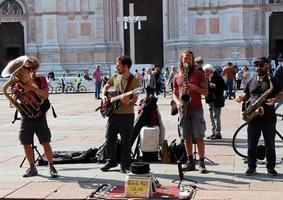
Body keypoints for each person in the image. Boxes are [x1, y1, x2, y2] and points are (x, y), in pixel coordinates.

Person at [236, 57, 282, 176]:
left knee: (270, 144)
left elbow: (282, 95)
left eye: (261, 65)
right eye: (256, 65)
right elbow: (247, 95)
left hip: (268, 117)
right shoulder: (251, 80)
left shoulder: (273, 80)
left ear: (267, 65)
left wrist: (275, 99)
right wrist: (241, 98)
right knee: (251, 144)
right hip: (253, 116)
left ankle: (270, 167)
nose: (258, 68)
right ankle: (251, 167)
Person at [13, 56, 58, 178]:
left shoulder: (41, 79)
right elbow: (13, 103)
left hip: (39, 115)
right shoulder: (19, 83)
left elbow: (45, 95)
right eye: (27, 68)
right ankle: (32, 168)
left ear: (36, 68)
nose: (30, 70)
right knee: (25, 142)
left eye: (33, 67)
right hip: (26, 116)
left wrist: (31, 87)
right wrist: (16, 93)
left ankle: (51, 166)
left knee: (45, 141)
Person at [100, 55, 140, 173]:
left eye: (118, 65)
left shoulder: (134, 81)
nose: (116, 67)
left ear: (125, 66)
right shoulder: (115, 76)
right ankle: (111, 160)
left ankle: (125, 164)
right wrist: (103, 96)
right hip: (113, 114)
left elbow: (135, 99)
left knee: (125, 141)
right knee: (109, 138)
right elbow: (106, 87)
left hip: (127, 115)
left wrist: (129, 102)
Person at [172, 49, 208, 174]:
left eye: (189, 58)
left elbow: (205, 92)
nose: (187, 60)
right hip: (183, 109)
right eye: (185, 58)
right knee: (186, 137)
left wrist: (193, 87)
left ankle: (202, 163)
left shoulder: (199, 74)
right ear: (181, 60)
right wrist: (177, 102)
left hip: (196, 108)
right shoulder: (177, 76)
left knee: (199, 136)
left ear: (192, 60)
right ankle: (190, 162)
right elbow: (174, 94)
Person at [203, 64, 226, 140]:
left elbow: (224, 87)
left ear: (211, 71)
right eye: (205, 72)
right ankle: (214, 132)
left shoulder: (218, 77)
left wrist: (215, 86)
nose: (206, 73)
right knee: (211, 117)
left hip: (217, 100)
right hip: (210, 100)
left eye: (207, 72)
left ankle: (218, 133)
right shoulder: (206, 78)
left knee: (216, 116)